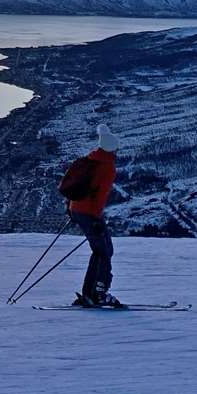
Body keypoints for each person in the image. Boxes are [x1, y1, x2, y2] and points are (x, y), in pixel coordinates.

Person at [70, 124, 120, 308]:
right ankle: (99, 294)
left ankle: (90, 292)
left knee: (101, 251)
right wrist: (97, 219)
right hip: (90, 214)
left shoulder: (90, 158)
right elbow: (100, 196)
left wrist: (72, 208)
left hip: (77, 209)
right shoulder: (107, 167)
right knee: (104, 253)